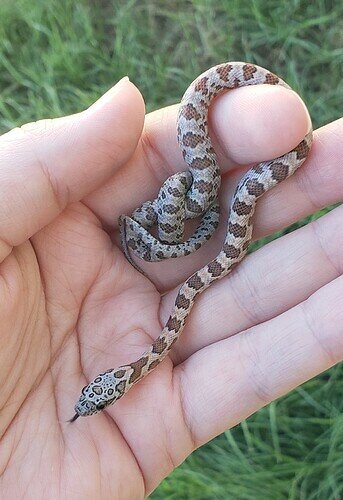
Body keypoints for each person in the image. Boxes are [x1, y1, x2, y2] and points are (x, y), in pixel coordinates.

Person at [0, 76, 341, 497]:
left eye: (94, 392)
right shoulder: (154, 350)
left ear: (110, 378)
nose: (93, 395)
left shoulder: (152, 347)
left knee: (205, 200)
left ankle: (194, 213)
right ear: (117, 382)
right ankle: (191, 218)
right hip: (186, 216)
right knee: (202, 209)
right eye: (98, 396)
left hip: (192, 202)